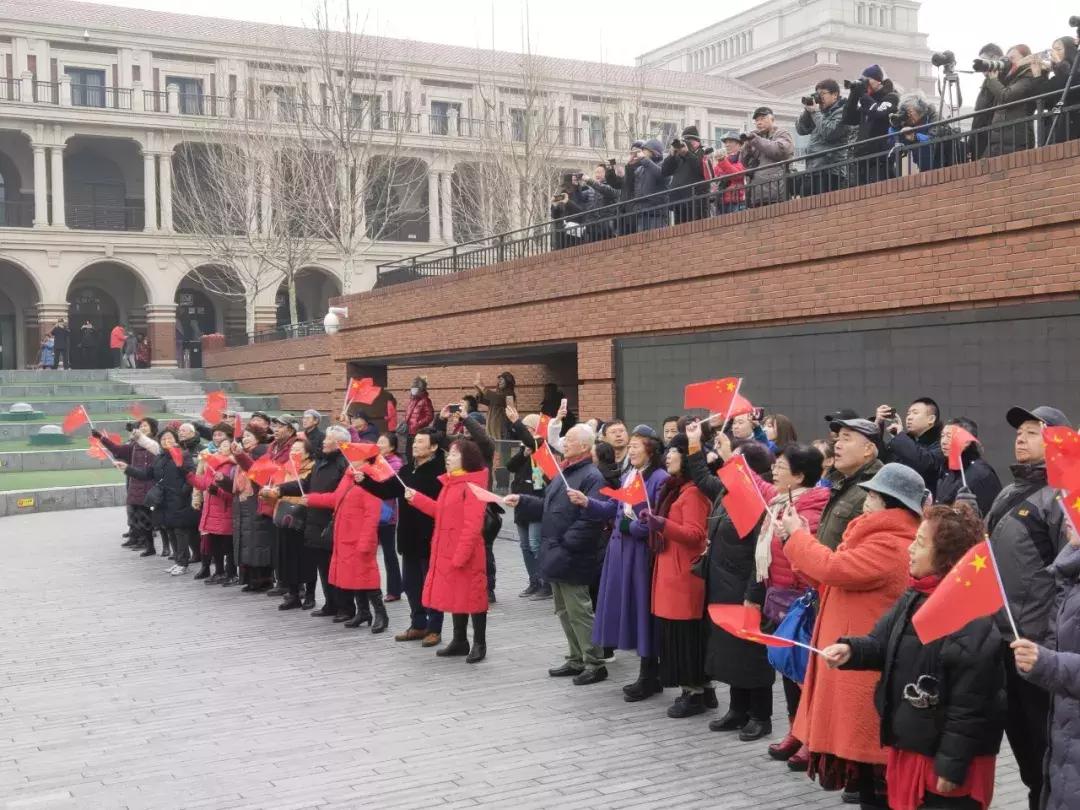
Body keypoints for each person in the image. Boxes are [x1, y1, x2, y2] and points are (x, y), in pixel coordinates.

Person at [825, 504, 1007, 810]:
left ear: (945, 556)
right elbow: (882, 644)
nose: (910, 550)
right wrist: (852, 650)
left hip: (945, 759)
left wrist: (951, 766)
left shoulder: (971, 615)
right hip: (913, 742)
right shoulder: (915, 594)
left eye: (920, 544)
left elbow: (971, 706)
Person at [781, 462, 927, 808]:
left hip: (862, 660)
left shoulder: (892, 543)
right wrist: (799, 542)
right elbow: (832, 575)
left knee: (871, 754)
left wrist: (797, 537)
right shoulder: (876, 534)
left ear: (891, 502)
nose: (867, 499)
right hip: (854, 655)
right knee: (861, 754)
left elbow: (835, 568)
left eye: (874, 495)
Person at [985, 403, 1072, 810]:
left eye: (1033, 431)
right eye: (1019, 430)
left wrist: (1054, 644)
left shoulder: (1064, 496)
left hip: (1042, 647)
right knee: (1022, 744)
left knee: (1045, 745)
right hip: (1006, 641)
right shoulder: (1010, 490)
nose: (1021, 437)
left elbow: (1071, 576)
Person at [685, 421, 777, 740]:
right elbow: (701, 477)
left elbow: (761, 554)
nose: (728, 462)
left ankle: (760, 715)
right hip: (722, 584)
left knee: (751, 654)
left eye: (736, 458)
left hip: (745, 589)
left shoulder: (759, 501)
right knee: (729, 652)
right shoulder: (729, 491)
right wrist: (695, 444)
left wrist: (754, 592)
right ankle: (737, 710)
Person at [509, 423, 609, 685]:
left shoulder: (591, 476)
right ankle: (576, 657)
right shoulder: (563, 473)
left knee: (579, 611)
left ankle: (594, 662)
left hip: (573, 555)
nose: (565, 443)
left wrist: (565, 544)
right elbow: (548, 506)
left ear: (585, 447)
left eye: (571, 440)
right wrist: (523, 500)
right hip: (556, 552)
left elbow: (590, 519)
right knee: (564, 610)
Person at [757, 444, 830, 768]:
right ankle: (794, 732)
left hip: (801, 603)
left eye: (781, 466)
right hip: (779, 598)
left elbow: (807, 559)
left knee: (804, 673)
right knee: (788, 670)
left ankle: (812, 739)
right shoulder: (780, 502)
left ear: (799, 476)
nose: (774, 471)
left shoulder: (811, 511)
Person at [585, 425, 669, 700]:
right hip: (621, 552)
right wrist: (587, 503)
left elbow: (653, 522)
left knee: (643, 612)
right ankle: (648, 673)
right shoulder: (629, 474)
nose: (631, 450)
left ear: (651, 450)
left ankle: (649, 675)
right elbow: (616, 509)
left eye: (636, 445)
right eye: (630, 446)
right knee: (629, 610)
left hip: (641, 554)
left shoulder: (658, 478)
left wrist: (627, 527)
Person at [403, 438, 490, 663]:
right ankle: (460, 641)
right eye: (448, 454)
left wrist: (460, 556)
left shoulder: (472, 486)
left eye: (452, 454)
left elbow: (473, 525)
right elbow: (441, 513)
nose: (448, 458)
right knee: (456, 596)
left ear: (466, 459)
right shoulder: (451, 483)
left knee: (474, 598)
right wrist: (418, 500)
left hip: (466, 554)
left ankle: (480, 643)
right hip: (448, 552)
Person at [1013, 521, 1080, 810]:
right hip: (1067, 735)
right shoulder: (1070, 573)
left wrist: (1048, 663)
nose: (1065, 514)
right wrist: (1035, 660)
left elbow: (1057, 661)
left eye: (1075, 504)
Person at [357, 427, 446, 645]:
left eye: (420, 442)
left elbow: (444, 507)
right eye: (414, 441)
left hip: (430, 536)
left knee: (430, 585)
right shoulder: (407, 470)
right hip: (408, 536)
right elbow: (387, 490)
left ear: (433, 447)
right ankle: (418, 623)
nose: (414, 445)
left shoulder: (442, 471)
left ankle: (435, 628)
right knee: (411, 585)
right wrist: (364, 481)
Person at [644, 434, 712, 716]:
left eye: (674, 451)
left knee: (685, 639)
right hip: (674, 575)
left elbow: (696, 535)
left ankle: (693, 693)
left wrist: (662, 524)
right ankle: (703, 692)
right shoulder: (679, 489)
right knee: (683, 637)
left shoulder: (693, 493)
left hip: (684, 578)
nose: (668, 455)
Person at [302, 449, 388, 634]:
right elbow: (335, 499)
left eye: (355, 456)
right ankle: (363, 612)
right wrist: (311, 499)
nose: (350, 459)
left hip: (360, 538)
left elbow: (372, 514)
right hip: (345, 537)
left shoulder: (370, 479)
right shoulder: (349, 476)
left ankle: (381, 613)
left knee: (367, 576)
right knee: (354, 575)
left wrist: (365, 541)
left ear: (365, 459)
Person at [279, 425, 350, 616]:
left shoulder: (344, 464)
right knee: (323, 566)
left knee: (335, 567)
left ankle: (345, 607)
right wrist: (281, 489)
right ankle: (330, 604)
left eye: (329, 439)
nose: (324, 441)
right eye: (325, 438)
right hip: (315, 520)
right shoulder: (320, 462)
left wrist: (313, 500)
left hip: (331, 522)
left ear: (340, 444)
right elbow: (305, 484)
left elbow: (340, 497)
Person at [115, 427, 200, 574]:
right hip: (163, 500)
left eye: (170, 438)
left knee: (180, 532)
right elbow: (147, 474)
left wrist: (183, 492)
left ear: (176, 440)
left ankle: (183, 562)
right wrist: (127, 468)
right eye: (163, 439)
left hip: (179, 500)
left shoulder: (183, 455)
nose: (166, 441)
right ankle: (177, 561)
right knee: (170, 530)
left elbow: (191, 475)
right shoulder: (160, 457)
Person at [816, 418, 884, 550]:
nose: (837, 445)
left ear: (868, 449)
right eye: (838, 439)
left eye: (846, 439)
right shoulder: (838, 482)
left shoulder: (876, 490)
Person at [266, 437, 316, 611]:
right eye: (292, 449)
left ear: (308, 453)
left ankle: (310, 594)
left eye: (298, 450)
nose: (294, 452)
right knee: (287, 557)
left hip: (303, 516)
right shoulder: (285, 469)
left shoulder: (312, 468)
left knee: (306, 558)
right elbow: (276, 492)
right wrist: (267, 494)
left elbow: (306, 487)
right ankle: (293, 594)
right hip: (284, 516)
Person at [96, 417, 159, 554]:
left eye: (146, 426)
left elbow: (146, 443)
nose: (143, 428)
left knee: (147, 516)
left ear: (153, 429)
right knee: (136, 514)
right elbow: (117, 450)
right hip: (135, 482)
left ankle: (149, 544)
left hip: (149, 483)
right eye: (141, 426)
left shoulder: (155, 443)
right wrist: (101, 438)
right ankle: (140, 540)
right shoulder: (134, 445)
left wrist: (136, 433)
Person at [505, 411, 547, 599]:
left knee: (535, 544)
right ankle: (533, 581)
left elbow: (533, 442)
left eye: (529, 429)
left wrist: (516, 422)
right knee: (524, 545)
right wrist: (523, 453)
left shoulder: (542, 446)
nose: (526, 432)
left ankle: (546, 583)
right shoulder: (526, 449)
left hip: (536, 502)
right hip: (521, 502)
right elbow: (510, 466)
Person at [186, 428, 236, 583]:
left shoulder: (233, 466)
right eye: (220, 446)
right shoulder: (211, 464)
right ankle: (219, 571)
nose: (222, 449)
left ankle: (231, 573)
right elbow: (203, 483)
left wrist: (218, 491)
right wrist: (190, 476)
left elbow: (234, 491)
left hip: (225, 510)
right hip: (210, 509)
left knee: (227, 546)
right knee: (214, 545)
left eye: (226, 446)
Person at [842, 64, 900, 186]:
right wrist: (854, 95)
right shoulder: (867, 101)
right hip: (862, 157)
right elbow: (848, 118)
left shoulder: (891, 97)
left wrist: (863, 95)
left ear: (878, 81)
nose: (865, 83)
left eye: (867, 79)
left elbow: (878, 112)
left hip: (881, 158)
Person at [795, 79, 853, 195]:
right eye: (817, 94)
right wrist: (808, 109)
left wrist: (815, 112)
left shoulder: (843, 111)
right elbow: (801, 129)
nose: (819, 98)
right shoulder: (819, 113)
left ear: (835, 95)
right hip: (812, 168)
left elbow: (830, 132)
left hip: (831, 171)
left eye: (822, 94)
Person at [935, 418, 1002, 516]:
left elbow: (988, 514)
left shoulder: (981, 474)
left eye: (949, 437)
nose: (943, 441)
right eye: (942, 436)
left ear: (966, 442)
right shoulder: (947, 468)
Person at [984, 45, 1041, 157]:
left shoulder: (1028, 77)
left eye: (1012, 58)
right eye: (1007, 59)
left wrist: (993, 80)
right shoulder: (1009, 79)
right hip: (999, 138)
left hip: (1016, 138)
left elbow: (1006, 96)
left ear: (1026, 58)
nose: (1009, 62)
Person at [878, 397, 945, 492]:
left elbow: (923, 463)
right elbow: (882, 460)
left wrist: (901, 437)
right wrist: (878, 424)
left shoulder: (941, 444)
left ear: (931, 419)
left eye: (915, 413)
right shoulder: (906, 441)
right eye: (908, 414)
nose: (909, 417)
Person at [740, 107, 795, 208]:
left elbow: (781, 151)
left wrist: (755, 140)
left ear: (772, 119)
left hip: (776, 192)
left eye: (762, 119)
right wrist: (747, 146)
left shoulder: (781, 133)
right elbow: (743, 163)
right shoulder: (755, 139)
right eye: (756, 120)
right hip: (756, 193)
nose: (759, 123)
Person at [375, 432, 404, 602]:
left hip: (387, 514)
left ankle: (394, 589)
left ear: (392, 447)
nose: (379, 445)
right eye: (378, 442)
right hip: (371, 512)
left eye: (383, 443)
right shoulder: (375, 459)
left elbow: (384, 480)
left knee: (389, 553)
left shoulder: (396, 463)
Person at [662, 125, 712, 224]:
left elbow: (701, 170)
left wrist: (688, 153)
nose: (686, 143)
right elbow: (665, 171)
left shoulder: (703, 153)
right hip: (679, 202)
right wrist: (671, 155)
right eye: (684, 141)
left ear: (697, 141)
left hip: (696, 203)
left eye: (689, 140)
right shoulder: (678, 156)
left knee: (696, 232)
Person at [1038, 36, 1080, 145]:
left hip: (1074, 124)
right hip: (1057, 128)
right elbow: (1043, 100)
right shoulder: (1056, 77)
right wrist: (1040, 75)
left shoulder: (1077, 70)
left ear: (1070, 50)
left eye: (1058, 49)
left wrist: (1060, 64)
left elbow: (1072, 84)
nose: (1053, 53)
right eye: (1053, 50)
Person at [969, 44, 1005, 160]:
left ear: (995, 58)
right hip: (980, 139)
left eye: (983, 61)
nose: (981, 66)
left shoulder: (1002, 81)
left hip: (993, 141)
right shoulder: (987, 83)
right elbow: (978, 116)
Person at [629, 139, 668, 231]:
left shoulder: (662, 164)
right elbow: (628, 183)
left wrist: (644, 159)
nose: (642, 152)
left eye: (644, 150)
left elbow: (661, 174)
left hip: (657, 213)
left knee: (658, 241)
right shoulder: (640, 169)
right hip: (641, 212)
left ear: (654, 152)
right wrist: (629, 164)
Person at [474, 370, 516, 446]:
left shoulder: (509, 394)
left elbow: (497, 399)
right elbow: (486, 400)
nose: (499, 381)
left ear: (508, 382)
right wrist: (479, 389)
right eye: (499, 380)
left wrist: (481, 386)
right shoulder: (498, 394)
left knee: (502, 455)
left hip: (502, 432)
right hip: (492, 431)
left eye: (502, 380)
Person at [713, 132, 748, 214]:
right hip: (722, 200)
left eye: (731, 142)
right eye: (726, 142)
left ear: (739, 145)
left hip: (737, 200)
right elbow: (716, 174)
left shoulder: (742, 158)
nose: (727, 145)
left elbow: (737, 175)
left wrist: (722, 161)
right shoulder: (724, 159)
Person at [401, 376, 435, 457]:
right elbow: (409, 414)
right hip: (409, 431)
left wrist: (418, 424)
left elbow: (429, 416)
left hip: (418, 432)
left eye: (415, 388)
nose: (413, 389)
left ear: (421, 389)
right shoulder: (412, 400)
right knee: (408, 454)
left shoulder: (425, 400)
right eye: (413, 387)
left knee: (416, 454)